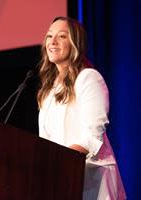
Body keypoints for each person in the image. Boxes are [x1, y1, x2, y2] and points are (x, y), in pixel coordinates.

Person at [37, 16, 126, 199]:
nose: (52, 41)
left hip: (92, 181)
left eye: (61, 36)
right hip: (61, 181)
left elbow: (92, 135)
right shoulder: (48, 91)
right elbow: (44, 142)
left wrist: (60, 162)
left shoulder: (88, 78)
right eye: (49, 36)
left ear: (75, 43)